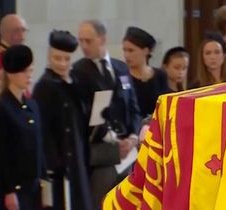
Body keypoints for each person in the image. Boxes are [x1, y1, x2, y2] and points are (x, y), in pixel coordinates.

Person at [72, 19, 141, 210]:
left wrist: (134, 136)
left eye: (89, 41)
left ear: (102, 39)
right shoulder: (79, 71)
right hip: (102, 152)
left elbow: (134, 107)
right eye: (81, 41)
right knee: (102, 202)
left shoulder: (120, 68)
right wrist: (113, 140)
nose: (84, 46)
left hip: (129, 151)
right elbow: (85, 116)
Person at [32, 30, 92, 210]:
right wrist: (54, 163)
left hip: (77, 157)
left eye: (67, 59)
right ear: (49, 56)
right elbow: (43, 131)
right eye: (57, 58)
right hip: (59, 163)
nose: (62, 64)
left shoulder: (73, 81)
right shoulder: (44, 86)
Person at [0, 45, 45, 210]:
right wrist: (9, 190)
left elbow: (38, 143)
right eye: (24, 72)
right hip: (15, 190)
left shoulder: (32, 106)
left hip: (33, 186)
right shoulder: (3, 107)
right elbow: (3, 153)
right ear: (11, 74)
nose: (29, 76)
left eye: (30, 71)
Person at [122, 26, 169, 118]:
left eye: (131, 50)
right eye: (125, 50)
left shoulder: (160, 75)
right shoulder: (123, 77)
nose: (126, 55)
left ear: (146, 51)